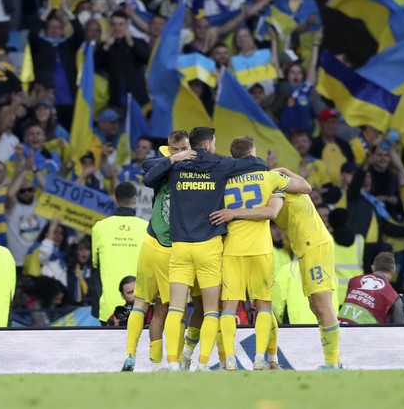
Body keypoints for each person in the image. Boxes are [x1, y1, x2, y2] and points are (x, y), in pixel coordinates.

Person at [143, 127, 267, 371]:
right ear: (209, 144)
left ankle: (173, 363)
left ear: (191, 145)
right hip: (209, 247)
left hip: (180, 247)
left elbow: (148, 174)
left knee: (176, 308)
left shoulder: (176, 166)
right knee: (211, 310)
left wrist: (173, 158)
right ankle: (201, 363)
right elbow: (259, 163)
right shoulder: (221, 163)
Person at [209, 136, 312, 371]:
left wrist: (233, 212)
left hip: (232, 249)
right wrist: (285, 170)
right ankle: (259, 358)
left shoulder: (223, 181)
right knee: (263, 306)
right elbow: (305, 188)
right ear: (254, 153)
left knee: (228, 307)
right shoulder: (271, 177)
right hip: (261, 250)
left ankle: (231, 359)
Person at [123, 131, 192, 372]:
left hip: (152, 244)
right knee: (170, 309)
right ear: (170, 148)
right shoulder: (172, 161)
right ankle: (164, 360)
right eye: (175, 149)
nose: (180, 152)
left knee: (145, 305)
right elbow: (147, 164)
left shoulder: (188, 164)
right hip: (164, 248)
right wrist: (175, 159)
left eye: (184, 148)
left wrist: (175, 160)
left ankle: (152, 362)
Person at [92, 182, 148, 325]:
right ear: (135, 200)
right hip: (141, 305)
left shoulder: (100, 227)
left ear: (114, 199)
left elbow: (94, 263)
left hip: (109, 307)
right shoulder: (146, 227)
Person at [338, 252, 404, 324]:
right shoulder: (393, 296)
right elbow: (399, 328)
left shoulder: (354, 281)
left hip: (340, 328)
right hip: (363, 333)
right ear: (393, 271)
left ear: (373, 267)